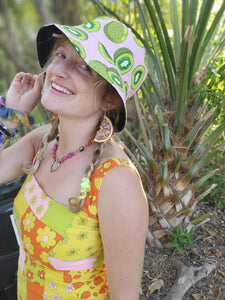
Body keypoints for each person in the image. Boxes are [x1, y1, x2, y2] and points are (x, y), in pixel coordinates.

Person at [0, 16, 149, 299]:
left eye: (85, 66)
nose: (58, 70)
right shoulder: (43, 142)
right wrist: (10, 118)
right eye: (61, 55)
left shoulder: (115, 182)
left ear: (109, 99)